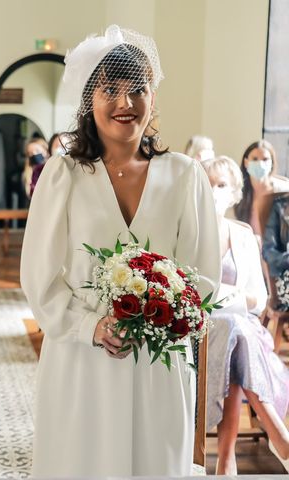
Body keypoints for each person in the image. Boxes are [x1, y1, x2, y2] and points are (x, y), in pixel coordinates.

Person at [20, 25, 221, 477]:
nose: (125, 103)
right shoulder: (63, 174)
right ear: (89, 100)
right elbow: (39, 276)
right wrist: (93, 326)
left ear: (154, 97)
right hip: (82, 360)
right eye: (110, 89)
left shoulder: (186, 176)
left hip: (158, 364)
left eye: (138, 90)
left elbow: (203, 276)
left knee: (155, 460)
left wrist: (163, 316)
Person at [201, 155, 289, 475]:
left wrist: (227, 298)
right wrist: (234, 300)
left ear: (235, 192)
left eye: (221, 185)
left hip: (238, 333)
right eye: (208, 184)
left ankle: (227, 460)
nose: (214, 191)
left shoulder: (243, 236)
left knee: (235, 333)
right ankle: (277, 436)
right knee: (234, 331)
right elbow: (190, 296)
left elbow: (260, 298)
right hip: (199, 332)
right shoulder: (188, 235)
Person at [234, 140, 289, 239]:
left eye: (265, 159)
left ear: (272, 163)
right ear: (246, 162)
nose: (260, 163)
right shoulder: (238, 193)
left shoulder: (283, 192)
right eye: (255, 159)